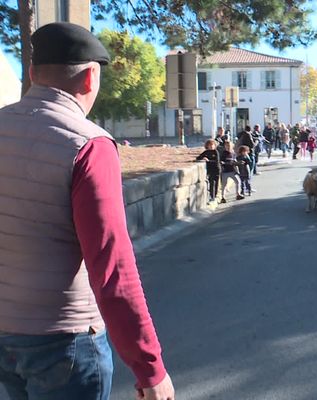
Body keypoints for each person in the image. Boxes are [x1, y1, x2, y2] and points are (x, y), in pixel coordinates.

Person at [0, 22, 174, 400]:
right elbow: (112, 269)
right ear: (90, 78)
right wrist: (150, 368)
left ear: (32, 73)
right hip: (64, 344)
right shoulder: (88, 144)